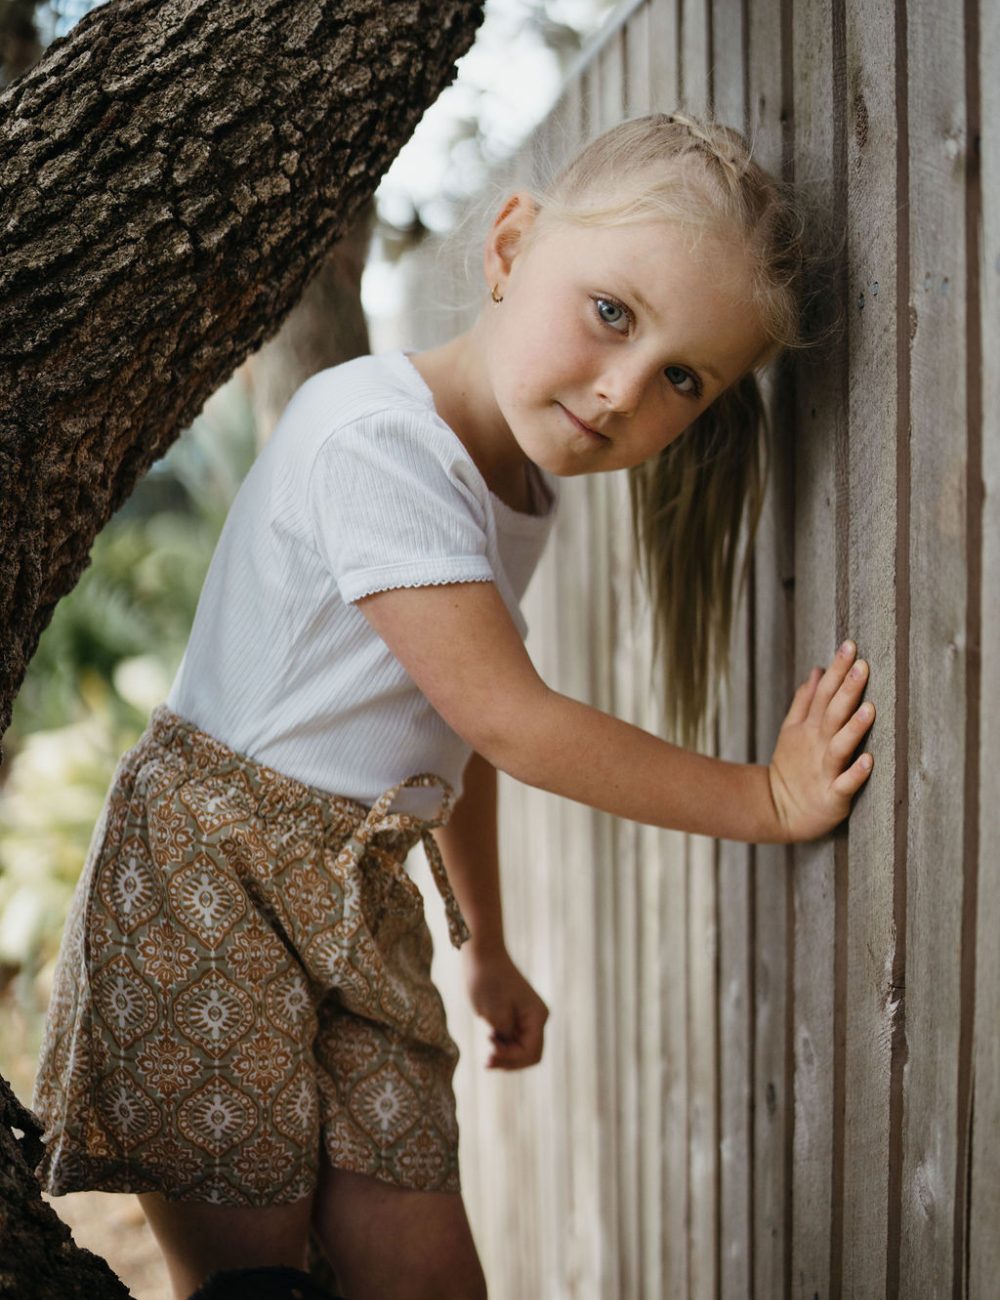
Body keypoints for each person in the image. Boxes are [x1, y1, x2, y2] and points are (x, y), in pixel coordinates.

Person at [31, 113, 874, 1300]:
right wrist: (766, 796)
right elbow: (510, 721)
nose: (622, 389)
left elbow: (445, 737)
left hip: (361, 889)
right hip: (212, 879)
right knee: (256, 1283)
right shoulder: (376, 439)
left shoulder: (520, 485)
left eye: (682, 376)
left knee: (425, 1265)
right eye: (612, 313)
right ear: (512, 244)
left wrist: (484, 943)